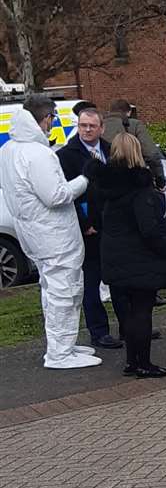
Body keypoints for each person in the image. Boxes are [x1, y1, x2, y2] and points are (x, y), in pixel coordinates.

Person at [0, 97, 99, 369]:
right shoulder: (37, 153)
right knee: (63, 291)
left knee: (52, 289)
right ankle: (59, 353)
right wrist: (85, 178)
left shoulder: (9, 149)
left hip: (34, 231)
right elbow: (56, 196)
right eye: (52, 119)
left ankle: (62, 345)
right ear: (46, 119)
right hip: (53, 233)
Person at [96, 132, 166, 378]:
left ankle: (132, 361)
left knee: (127, 312)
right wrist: (165, 250)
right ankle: (143, 362)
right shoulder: (140, 188)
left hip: (114, 256)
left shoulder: (105, 186)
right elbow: (149, 228)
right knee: (142, 311)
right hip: (139, 258)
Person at [54, 108, 122, 350]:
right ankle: (99, 331)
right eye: (83, 125)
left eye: (92, 126)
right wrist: (85, 224)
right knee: (91, 281)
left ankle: (129, 326)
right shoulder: (66, 155)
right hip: (89, 228)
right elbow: (67, 195)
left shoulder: (111, 149)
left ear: (101, 127)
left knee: (120, 278)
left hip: (114, 224)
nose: (87, 130)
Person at [101, 99, 164, 189]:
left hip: (105, 182)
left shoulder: (97, 126)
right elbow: (151, 154)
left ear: (110, 111)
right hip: (133, 181)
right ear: (129, 112)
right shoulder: (134, 125)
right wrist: (160, 180)